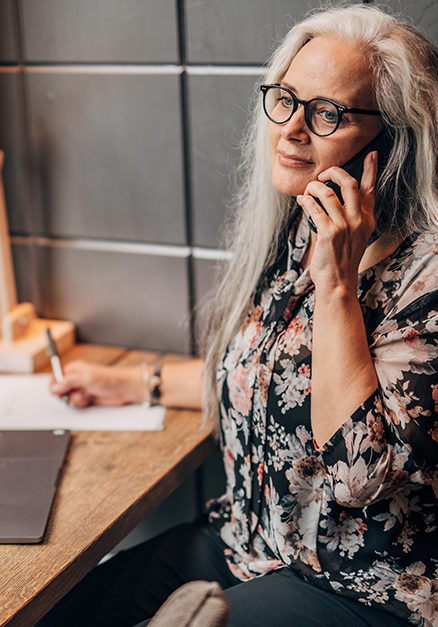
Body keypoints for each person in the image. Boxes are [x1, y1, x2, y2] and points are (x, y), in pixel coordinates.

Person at [45, 4, 438, 626]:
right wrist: (134, 382)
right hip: (248, 545)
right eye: (285, 99)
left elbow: (359, 476)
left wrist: (337, 289)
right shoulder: (295, 233)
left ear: (387, 141)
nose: (291, 130)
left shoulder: (425, 278)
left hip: (357, 586)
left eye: (327, 113)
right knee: (63, 613)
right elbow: (266, 378)